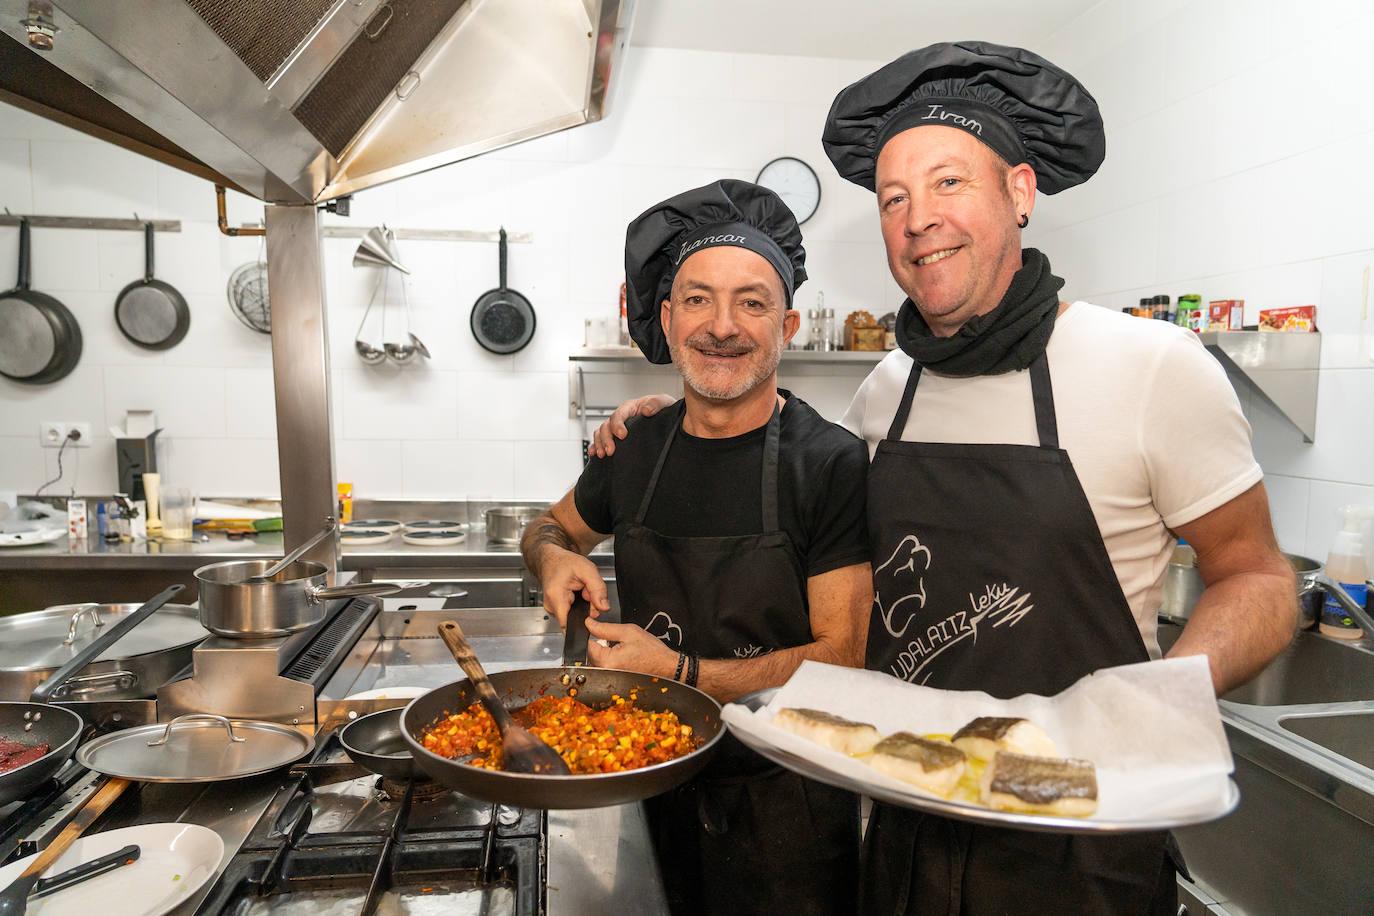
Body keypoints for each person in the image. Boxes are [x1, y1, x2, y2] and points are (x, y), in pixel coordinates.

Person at [592, 41, 1297, 915]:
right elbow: (788, 485)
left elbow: (1260, 578)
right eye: (894, 198)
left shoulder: (1150, 366)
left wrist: (1149, 708)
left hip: (1081, 843)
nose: (918, 217)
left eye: (949, 182)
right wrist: (672, 419)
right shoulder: (889, 391)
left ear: (1020, 192)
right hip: (905, 826)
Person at [521, 179, 874, 915]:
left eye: (752, 303)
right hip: (645, 782)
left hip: (790, 804)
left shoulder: (829, 462)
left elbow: (844, 658)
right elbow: (546, 528)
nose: (722, 326)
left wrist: (681, 674)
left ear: (789, 325)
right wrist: (553, 557)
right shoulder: (632, 446)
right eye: (697, 299)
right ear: (667, 317)